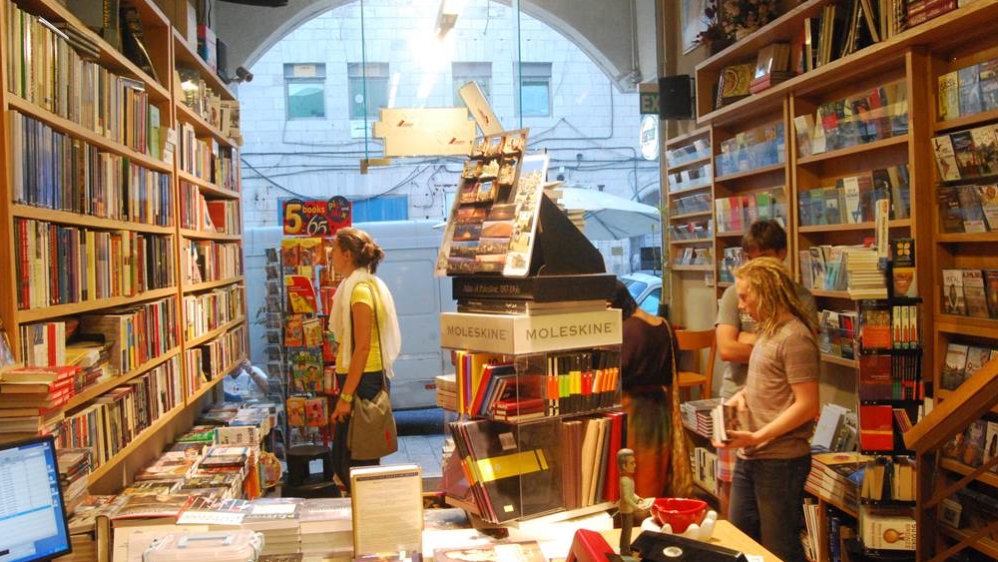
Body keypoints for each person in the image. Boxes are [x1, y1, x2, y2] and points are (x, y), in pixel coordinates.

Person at [715, 257, 820, 562]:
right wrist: (742, 397)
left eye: (746, 296)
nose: (742, 305)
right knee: (742, 539)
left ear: (766, 292)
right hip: (754, 455)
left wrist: (758, 435)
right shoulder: (769, 332)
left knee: (780, 548)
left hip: (781, 461)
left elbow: (807, 404)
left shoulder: (795, 337)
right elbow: (767, 379)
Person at [328, 227, 402, 492]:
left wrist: (346, 398)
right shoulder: (366, 285)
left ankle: (368, 519)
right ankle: (362, 517)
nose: (330, 256)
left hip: (363, 385)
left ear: (347, 254)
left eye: (334, 250)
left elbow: (361, 349)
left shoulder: (359, 291)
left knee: (355, 465)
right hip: (364, 381)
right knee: (352, 462)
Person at [610, 280, 678, 499]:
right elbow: (672, 375)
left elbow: (617, 374)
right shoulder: (664, 325)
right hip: (660, 408)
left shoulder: (626, 330)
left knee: (633, 477)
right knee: (656, 475)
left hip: (633, 410)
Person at [617, 448, 643, 554]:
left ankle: (626, 547)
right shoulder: (624, 480)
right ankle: (624, 550)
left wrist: (638, 499)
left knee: (628, 530)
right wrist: (637, 507)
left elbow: (632, 494)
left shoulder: (629, 479)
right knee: (626, 531)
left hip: (630, 509)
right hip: (626, 510)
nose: (635, 465)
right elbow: (626, 498)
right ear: (624, 466)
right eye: (632, 463)